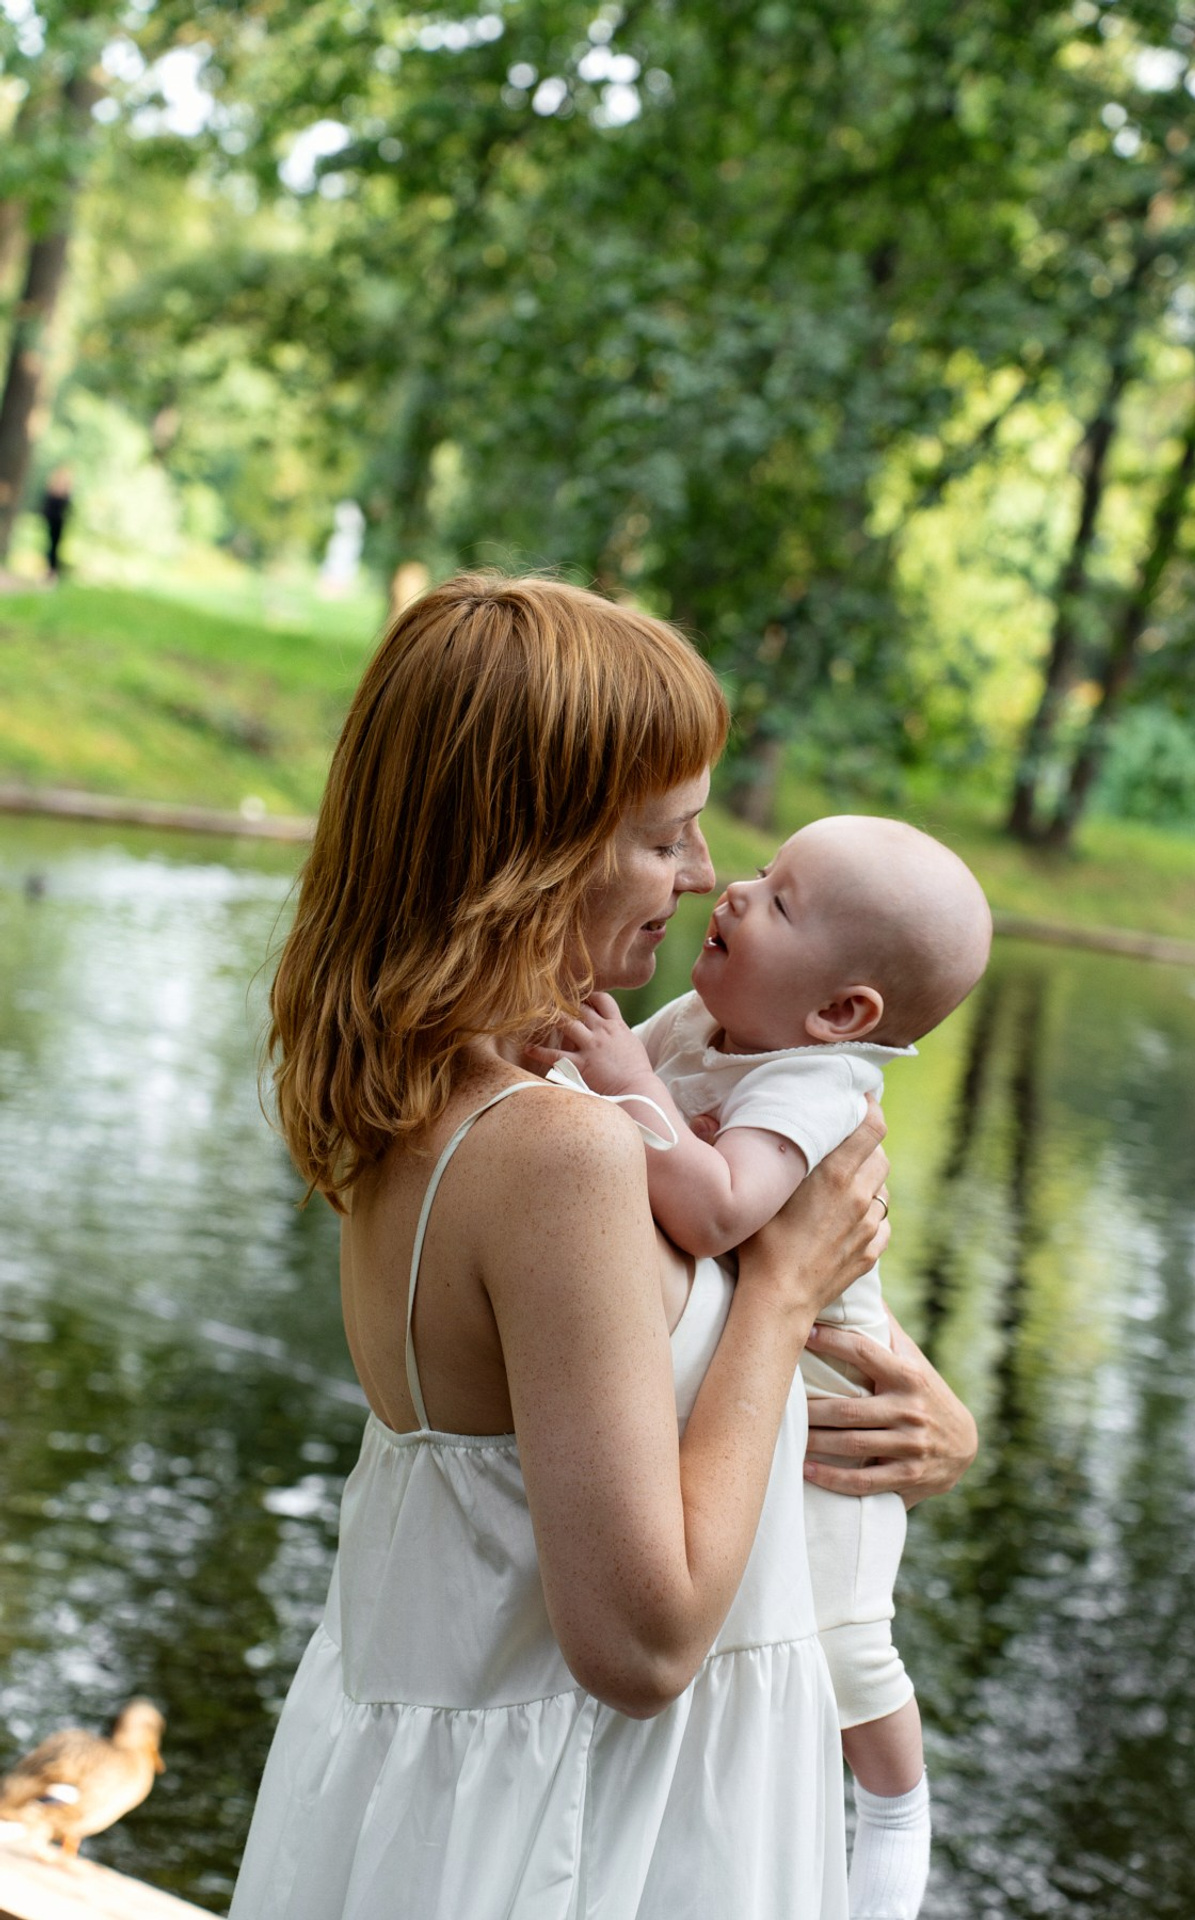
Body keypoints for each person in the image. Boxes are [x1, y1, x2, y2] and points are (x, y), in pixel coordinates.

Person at [228, 575, 977, 1920]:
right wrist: (782, 1297)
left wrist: (908, 1404)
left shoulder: (449, 1087)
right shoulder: (555, 1149)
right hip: (586, 1842)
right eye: (666, 839)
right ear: (539, 848)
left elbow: (638, 1354)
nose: (702, 877)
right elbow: (644, 1640)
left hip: (460, 1802)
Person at [541, 813, 992, 1920]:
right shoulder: (713, 1016)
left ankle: (893, 1810)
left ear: (841, 1013)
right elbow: (597, 1089)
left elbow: (714, 1210)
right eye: (759, 873)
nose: (729, 890)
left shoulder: (818, 1082)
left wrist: (620, 1086)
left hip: (827, 1421)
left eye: (778, 901)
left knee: (843, 1647)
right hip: (750, 1390)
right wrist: (596, 1068)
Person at [41, 467, 74, 580]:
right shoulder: (52, 491)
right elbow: (46, 507)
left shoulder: (66, 494)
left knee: (55, 547)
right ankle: (49, 570)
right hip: (51, 521)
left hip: (59, 523)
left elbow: (68, 509)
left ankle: (52, 572)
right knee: (49, 546)